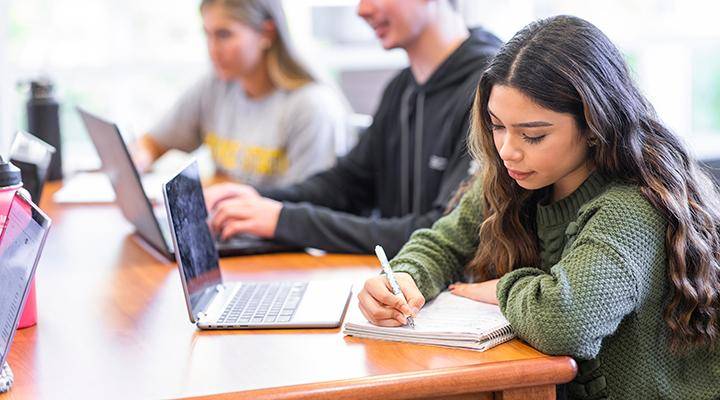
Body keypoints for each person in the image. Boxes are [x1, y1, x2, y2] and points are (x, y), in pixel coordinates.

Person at [357, 15, 720, 400]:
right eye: (497, 126)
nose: (508, 150)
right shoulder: (513, 178)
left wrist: (503, 288)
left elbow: (564, 322)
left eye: (533, 135)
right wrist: (403, 278)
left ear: (594, 125)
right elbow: (441, 243)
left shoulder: (630, 209)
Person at [204, 0, 502, 256]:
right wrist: (258, 201)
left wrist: (285, 221)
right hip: (398, 292)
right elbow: (348, 184)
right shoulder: (403, 88)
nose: (362, 10)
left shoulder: (492, 92)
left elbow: (443, 233)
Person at [133, 0, 346, 187]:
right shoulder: (214, 87)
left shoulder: (312, 106)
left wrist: (228, 191)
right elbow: (154, 142)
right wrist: (138, 160)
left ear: (266, 33)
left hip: (274, 232)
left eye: (224, 35)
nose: (212, 49)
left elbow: (311, 206)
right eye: (207, 34)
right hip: (229, 227)